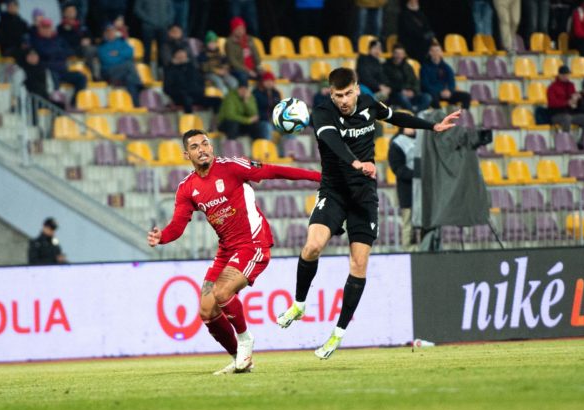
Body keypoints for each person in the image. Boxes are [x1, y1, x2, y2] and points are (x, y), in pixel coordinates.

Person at [276, 68, 460, 359]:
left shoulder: (369, 104)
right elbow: (334, 144)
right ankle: (299, 303)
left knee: (358, 264)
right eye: (339, 95)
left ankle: (337, 335)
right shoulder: (323, 113)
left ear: (357, 89)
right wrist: (356, 163)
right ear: (331, 94)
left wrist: (431, 126)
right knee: (312, 247)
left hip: (363, 195)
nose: (344, 100)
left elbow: (395, 116)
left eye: (349, 93)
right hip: (334, 192)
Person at [147, 129, 321, 374]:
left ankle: (245, 342)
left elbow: (273, 171)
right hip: (226, 251)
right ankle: (240, 358)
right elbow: (178, 224)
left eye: (205, 143)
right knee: (206, 310)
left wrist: (318, 176)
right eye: (195, 146)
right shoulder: (187, 188)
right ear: (186, 154)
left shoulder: (232, 167)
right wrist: (162, 236)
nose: (202, 149)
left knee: (222, 291)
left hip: (253, 244)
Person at [31, 18, 87, 103]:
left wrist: (55, 51)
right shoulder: (35, 40)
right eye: (44, 27)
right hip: (48, 72)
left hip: (63, 71)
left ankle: (73, 103)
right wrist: (58, 51)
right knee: (53, 79)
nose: (47, 30)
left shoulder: (58, 39)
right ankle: (57, 105)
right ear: (39, 29)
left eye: (48, 27)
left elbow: (70, 52)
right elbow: (44, 51)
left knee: (81, 77)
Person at [98, 23, 143, 106]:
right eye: (108, 32)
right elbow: (108, 61)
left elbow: (131, 52)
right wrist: (123, 56)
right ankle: (140, 86)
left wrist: (118, 53)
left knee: (130, 79)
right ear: (105, 34)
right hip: (109, 72)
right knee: (129, 64)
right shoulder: (102, 47)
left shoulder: (122, 42)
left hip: (123, 72)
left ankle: (136, 105)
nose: (111, 33)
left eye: (112, 31)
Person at [388, 125, 417, 250]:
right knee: (408, 223)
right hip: (407, 190)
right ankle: (408, 250)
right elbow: (398, 169)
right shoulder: (396, 144)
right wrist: (417, 174)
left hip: (423, 191)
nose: (413, 128)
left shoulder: (420, 140)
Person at [164, 48, 220, 113]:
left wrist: (200, 91)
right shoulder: (170, 69)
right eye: (179, 54)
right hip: (181, 97)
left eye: (183, 54)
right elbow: (167, 88)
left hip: (196, 95)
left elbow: (200, 81)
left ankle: (216, 121)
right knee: (187, 100)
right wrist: (181, 92)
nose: (182, 56)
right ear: (175, 56)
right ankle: (189, 121)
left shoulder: (191, 67)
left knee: (217, 100)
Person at [420, 42, 471, 110]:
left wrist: (449, 91)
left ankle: (463, 116)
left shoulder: (446, 67)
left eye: (437, 50)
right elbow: (425, 85)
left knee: (466, 96)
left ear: (441, 52)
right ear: (430, 53)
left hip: (445, 93)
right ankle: (440, 118)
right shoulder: (424, 67)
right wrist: (439, 92)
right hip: (433, 93)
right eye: (433, 51)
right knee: (432, 97)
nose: (436, 53)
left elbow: (451, 82)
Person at [547, 65, 584, 149]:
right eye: (565, 75)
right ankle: (566, 143)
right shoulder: (552, 88)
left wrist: (576, 99)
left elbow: (573, 100)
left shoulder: (571, 85)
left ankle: (581, 142)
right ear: (560, 75)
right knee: (566, 118)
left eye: (568, 75)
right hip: (556, 114)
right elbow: (553, 104)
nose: (567, 77)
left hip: (570, 113)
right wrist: (567, 103)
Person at [383, 44, 431, 113]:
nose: (399, 56)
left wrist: (413, 91)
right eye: (397, 53)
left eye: (401, 53)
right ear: (393, 54)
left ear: (404, 55)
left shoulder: (408, 66)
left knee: (427, 97)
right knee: (402, 98)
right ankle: (414, 113)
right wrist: (402, 91)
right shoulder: (386, 67)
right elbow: (387, 83)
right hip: (397, 94)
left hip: (411, 93)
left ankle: (415, 111)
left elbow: (415, 81)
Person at [134, 0, 174, 68]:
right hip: (148, 27)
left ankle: (163, 73)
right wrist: (148, 20)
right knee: (147, 51)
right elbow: (137, 9)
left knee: (163, 51)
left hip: (163, 27)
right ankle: (146, 70)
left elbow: (171, 10)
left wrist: (167, 21)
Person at [198, 30, 238, 95]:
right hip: (209, 74)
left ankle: (233, 98)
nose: (212, 44)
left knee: (233, 82)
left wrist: (225, 69)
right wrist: (216, 71)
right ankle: (224, 99)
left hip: (221, 73)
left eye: (214, 42)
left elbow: (226, 62)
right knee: (219, 81)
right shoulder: (203, 54)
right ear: (206, 43)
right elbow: (203, 67)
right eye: (210, 42)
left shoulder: (219, 53)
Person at [225, 17, 262, 86]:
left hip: (252, 68)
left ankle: (260, 95)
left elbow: (256, 54)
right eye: (238, 29)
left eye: (242, 28)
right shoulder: (230, 42)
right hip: (238, 69)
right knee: (243, 76)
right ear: (233, 30)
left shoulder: (249, 39)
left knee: (265, 76)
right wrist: (248, 71)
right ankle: (244, 95)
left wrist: (258, 66)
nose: (241, 31)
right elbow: (233, 61)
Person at [252, 71, 281, 139]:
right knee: (268, 127)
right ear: (262, 82)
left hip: (274, 121)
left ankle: (289, 148)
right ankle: (268, 148)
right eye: (267, 80)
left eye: (271, 80)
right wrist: (267, 118)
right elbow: (254, 111)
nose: (269, 83)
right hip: (262, 121)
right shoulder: (256, 93)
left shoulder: (276, 93)